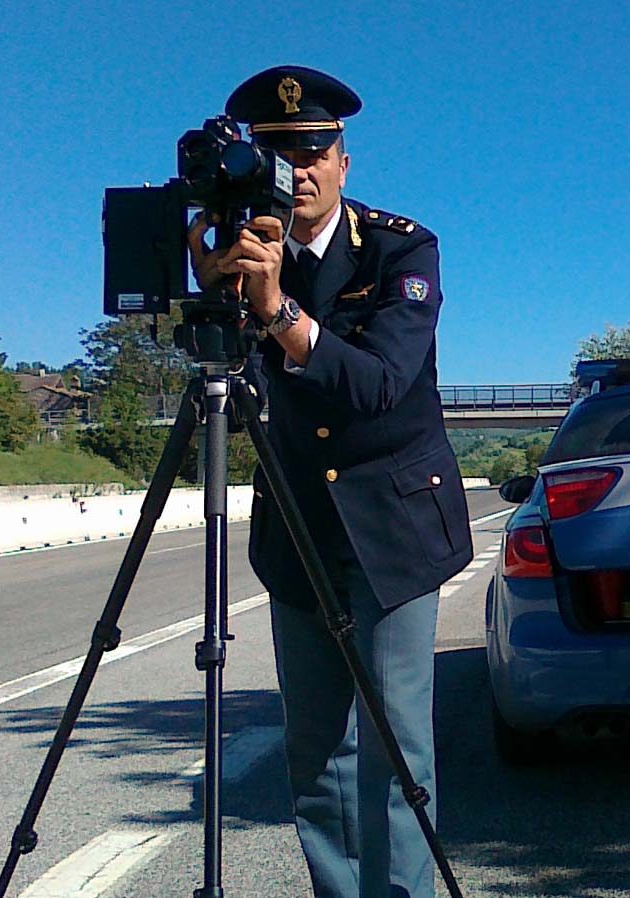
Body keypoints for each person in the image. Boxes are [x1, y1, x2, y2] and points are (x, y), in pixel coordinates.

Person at [188, 65, 473, 898]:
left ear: (344, 162)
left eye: (314, 151)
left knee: (395, 754)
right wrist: (215, 304)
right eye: (278, 153)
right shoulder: (248, 251)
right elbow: (222, 380)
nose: (298, 171)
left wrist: (277, 310)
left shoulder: (399, 247)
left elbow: (382, 383)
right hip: (298, 529)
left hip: (392, 534)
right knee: (317, 758)